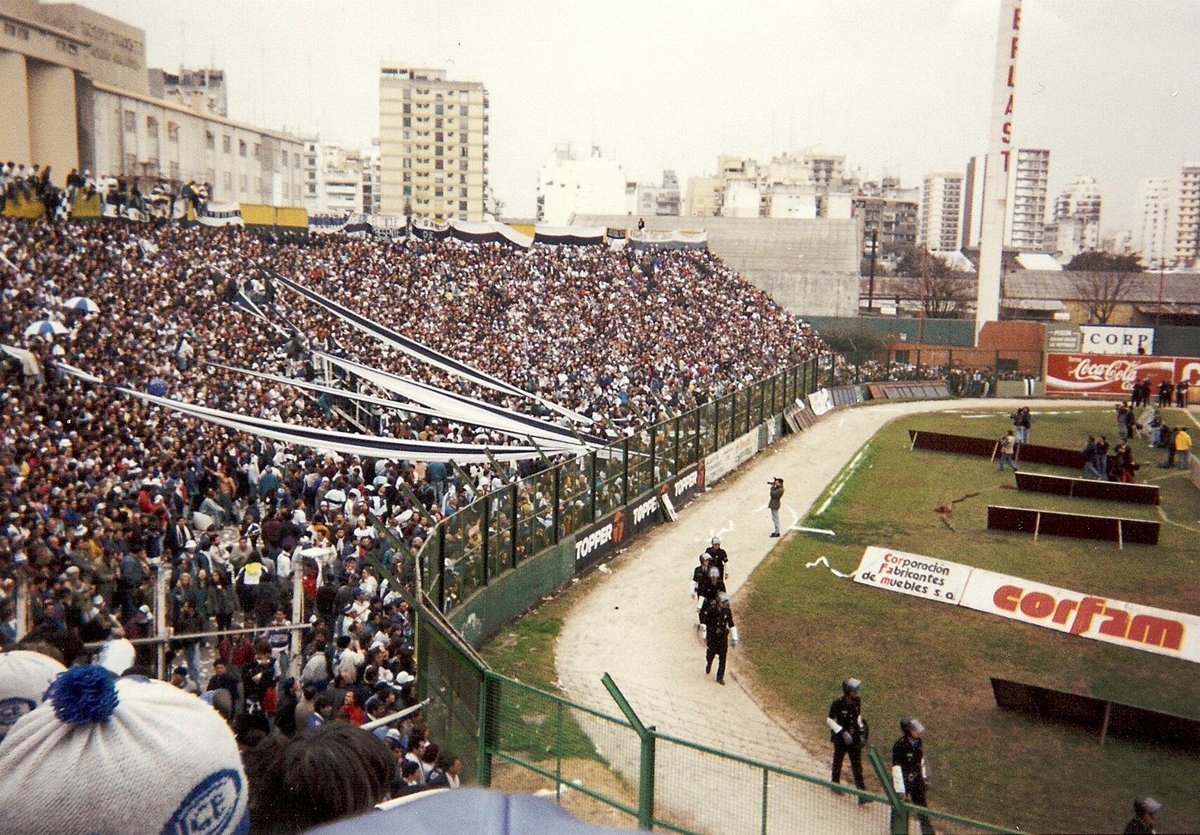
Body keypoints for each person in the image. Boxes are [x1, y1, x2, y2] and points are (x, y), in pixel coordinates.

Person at [827, 678, 869, 801]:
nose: (856, 692)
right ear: (847, 691)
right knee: (838, 761)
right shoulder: (837, 703)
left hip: (853, 737)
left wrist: (861, 730)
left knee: (857, 765)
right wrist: (841, 732)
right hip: (840, 738)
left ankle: (862, 794)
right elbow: (830, 720)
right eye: (853, 690)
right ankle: (835, 784)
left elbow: (858, 717)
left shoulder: (857, 701)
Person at [892, 717, 933, 835]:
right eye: (914, 729)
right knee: (898, 807)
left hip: (917, 780)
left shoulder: (918, 742)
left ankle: (928, 832)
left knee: (922, 808)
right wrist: (899, 789)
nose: (917, 731)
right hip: (904, 781)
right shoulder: (899, 746)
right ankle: (895, 830)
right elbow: (896, 767)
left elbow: (921, 761)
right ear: (908, 731)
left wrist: (925, 778)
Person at [700, 592, 737, 685]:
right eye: (724, 602)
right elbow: (704, 623)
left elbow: (731, 624)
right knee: (711, 654)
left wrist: (735, 637)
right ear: (719, 602)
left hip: (722, 637)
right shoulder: (711, 610)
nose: (726, 604)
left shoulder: (727, 611)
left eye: (726, 602)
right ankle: (709, 663)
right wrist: (704, 635)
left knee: (723, 657)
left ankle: (720, 677)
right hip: (712, 636)